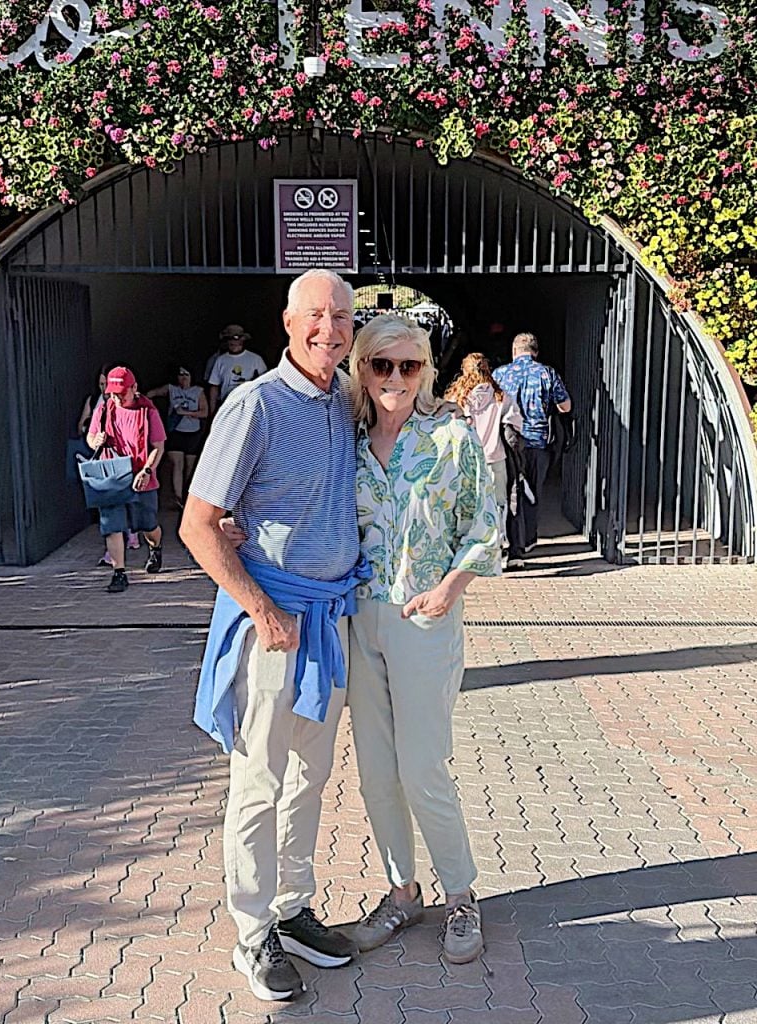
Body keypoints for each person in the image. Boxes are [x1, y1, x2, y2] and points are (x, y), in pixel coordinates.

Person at [179, 270, 365, 1003]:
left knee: (311, 777)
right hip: (275, 627)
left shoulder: (345, 402)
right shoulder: (252, 407)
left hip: (328, 619)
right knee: (257, 780)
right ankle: (252, 931)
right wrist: (260, 608)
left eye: (342, 316)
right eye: (315, 315)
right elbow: (199, 524)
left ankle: (293, 909)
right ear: (287, 324)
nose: (330, 328)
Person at [346, 316, 500, 964]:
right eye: (383, 365)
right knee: (377, 771)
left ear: (427, 372)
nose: (397, 379)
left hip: (423, 618)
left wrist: (448, 591)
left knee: (421, 766)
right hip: (359, 618)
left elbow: (485, 525)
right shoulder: (346, 442)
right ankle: (401, 892)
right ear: (363, 369)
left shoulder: (450, 436)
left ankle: (460, 894)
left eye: (410, 367)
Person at [86, 366, 166, 593]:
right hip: (112, 476)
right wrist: (96, 441)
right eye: (113, 393)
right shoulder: (103, 410)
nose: (117, 398)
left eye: (122, 393)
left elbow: (158, 447)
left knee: (147, 525)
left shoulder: (148, 411)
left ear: (134, 388)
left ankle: (156, 547)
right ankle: (119, 572)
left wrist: (148, 471)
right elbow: (91, 438)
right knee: (112, 526)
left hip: (141, 476)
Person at [444, 352, 525, 568]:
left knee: (466, 504)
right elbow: (516, 422)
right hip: (495, 456)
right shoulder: (500, 396)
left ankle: (469, 550)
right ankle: (498, 547)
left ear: (465, 370)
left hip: (465, 459)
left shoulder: (456, 397)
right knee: (499, 504)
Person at [492, 332, 571, 552]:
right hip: (537, 442)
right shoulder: (547, 374)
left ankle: (509, 538)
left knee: (509, 491)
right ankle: (528, 539)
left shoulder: (500, 374)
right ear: (535, 351)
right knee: (532, 492)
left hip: (508, 442)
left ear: (514, 351)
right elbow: (565, 406)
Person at [146, 367, 208, 508]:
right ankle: (178, 497)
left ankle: (188, 496)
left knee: (190, 467)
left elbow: (205, 412)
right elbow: (150, 394)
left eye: (186, 374)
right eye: (180, 375)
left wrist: (186, 413)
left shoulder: (198, 391)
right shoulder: (171, 389)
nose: (183, 377)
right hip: (176, 431)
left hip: (193, 432)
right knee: (177, 465)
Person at [207, 325, 267, 415]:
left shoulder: (255, 359)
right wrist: (212, 412)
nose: (234, 342)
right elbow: (214, 386)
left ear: (242, 340)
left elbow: (266, 383)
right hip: (227, 406)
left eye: (237, 339)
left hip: (249, 407)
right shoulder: (221, 360)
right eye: (231, 339)